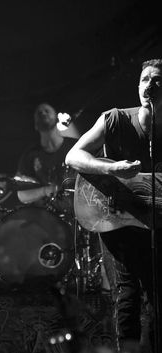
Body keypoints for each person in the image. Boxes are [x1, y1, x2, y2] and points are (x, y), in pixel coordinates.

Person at [65, 59, 162, 351]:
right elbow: (73, 155)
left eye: (157, 81)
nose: (150, 86)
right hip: (117, 220)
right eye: (145, 79)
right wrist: (111, 169)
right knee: (127, 295)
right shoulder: (115, 119)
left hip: (156, 223)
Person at [16, 102, 78, 208]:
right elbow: (22, 195)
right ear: (35, 125)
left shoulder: (76, 146)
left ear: (57, 119)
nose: (43, 113)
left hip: (79, 209)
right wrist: (46, 190)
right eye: (39, 113)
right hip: (47, 217)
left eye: (47, 111)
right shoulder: (30, 155)